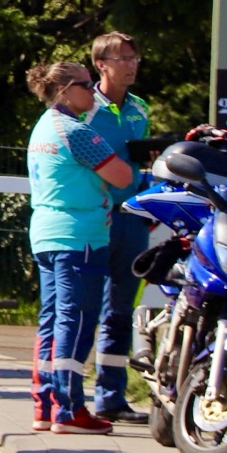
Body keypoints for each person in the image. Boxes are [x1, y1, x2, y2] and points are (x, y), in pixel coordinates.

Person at [25, 61, 134, 435]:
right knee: (77, 318)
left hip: (46, 232)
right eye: (87, 86)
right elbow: (122, 177)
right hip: (79, 235)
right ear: (64, 91)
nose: (93, 92)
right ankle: (69, 409)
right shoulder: (76, 131)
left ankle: (44, 403)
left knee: (52, 317)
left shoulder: (43, 127)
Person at [86, 33, 150, 423]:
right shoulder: (84, 108)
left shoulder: (140, 109)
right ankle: (68, 398)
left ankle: (111, 397)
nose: (131, 64)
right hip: (94, 219)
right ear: (101, 65)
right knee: (84, 307)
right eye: (122, 57)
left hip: (131, 219)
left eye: (135, 56)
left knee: (121, 310)